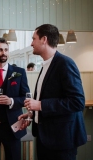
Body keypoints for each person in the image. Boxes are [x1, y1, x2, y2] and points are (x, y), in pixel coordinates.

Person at [19, 24, 87, 160]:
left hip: (61, 141)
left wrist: (40, 105)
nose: (31, 43)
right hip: (45, 138)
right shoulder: (46, 65)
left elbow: (77, 102)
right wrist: (32, 114)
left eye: (34, 39)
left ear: (44, 39)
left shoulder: (65, 63)